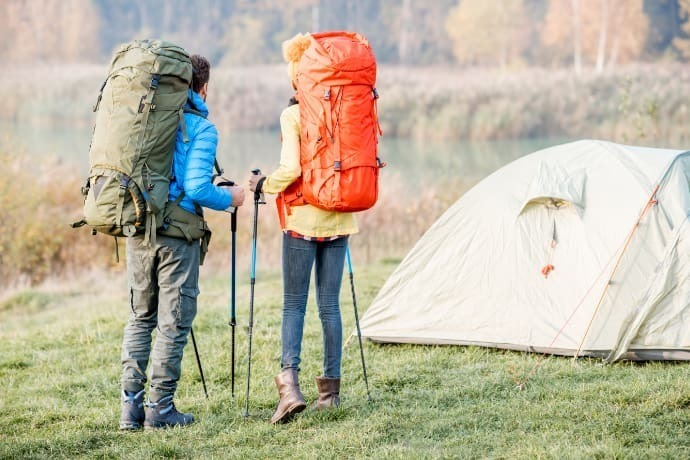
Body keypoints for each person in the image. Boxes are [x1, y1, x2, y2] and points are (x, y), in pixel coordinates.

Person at [119, 54, 245, 430]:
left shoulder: (145, 119)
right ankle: (160, 409)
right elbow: (196, 187)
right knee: (173, 322)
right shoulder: (201, 128)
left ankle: (130, 410)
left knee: (141, 318)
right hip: (177, 238)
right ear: (202, 87)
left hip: (139, 229)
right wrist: (233, 198)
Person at [249, 33, 358, 424]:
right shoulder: (346, 110)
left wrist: (262, 185)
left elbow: (291, 169)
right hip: (341, 218)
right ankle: (330, 394)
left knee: (294, 304)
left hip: (302, 219)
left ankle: (289, 389)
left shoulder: (293, 115)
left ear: (297, 78)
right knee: (330, 305)